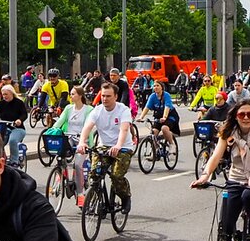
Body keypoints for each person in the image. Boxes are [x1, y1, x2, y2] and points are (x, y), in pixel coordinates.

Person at [191, 98, 250, 241]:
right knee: (225, 227)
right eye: (242, 115)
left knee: (249, 195)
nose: (246, 118)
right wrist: (205, 176)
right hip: (236, 180)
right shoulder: (228, 133)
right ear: (236, 116)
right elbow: (215, 156)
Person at [77, 81, 135, 214]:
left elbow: (124, 130)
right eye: (103, 95)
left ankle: (125, 197)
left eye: (108, 96)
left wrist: (118, 145)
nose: (104, 99)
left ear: (115, 97)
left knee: (116, 176)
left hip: (123, 147)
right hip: (103, 147)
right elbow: (87, 127)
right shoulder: (97, 110)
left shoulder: (123, 110)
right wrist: (82, 142)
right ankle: (97, 200)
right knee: (94, 175)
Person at [51, 84, 90, 204]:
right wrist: (52, 131)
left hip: (82, 140)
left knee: (78, 165)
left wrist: (84, 141)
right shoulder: (68, 108)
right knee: (60, 155)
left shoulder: (88, 110)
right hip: (69, 137)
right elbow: (60, 122)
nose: (70, 96)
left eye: (73, 94)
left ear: (80, 96)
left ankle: (80, 193)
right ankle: (60, 176)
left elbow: (90, 126)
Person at [0, 84, 29, 164]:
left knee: (13, 140)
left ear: (11, 93)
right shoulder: (1, 103)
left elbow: (24, 114)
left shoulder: (19, 103)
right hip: (5, 128)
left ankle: (14, 161)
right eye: (3, 94)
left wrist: (19, 120)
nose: (4, 96)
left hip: (17, 129)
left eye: (6, 94)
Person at [137, 79, 180, 150]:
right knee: (153, 134)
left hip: (170, 116)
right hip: (159, 117)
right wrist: (141, 117)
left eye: (157, 86)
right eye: (154, 86)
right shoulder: (152, 96)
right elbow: (147, 107)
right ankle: (155, 151)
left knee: (164, 128)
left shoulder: (166, 95)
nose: (155, 87)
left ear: (162, 87)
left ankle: (172, 145)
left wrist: (164, 117)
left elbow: (167, 107)